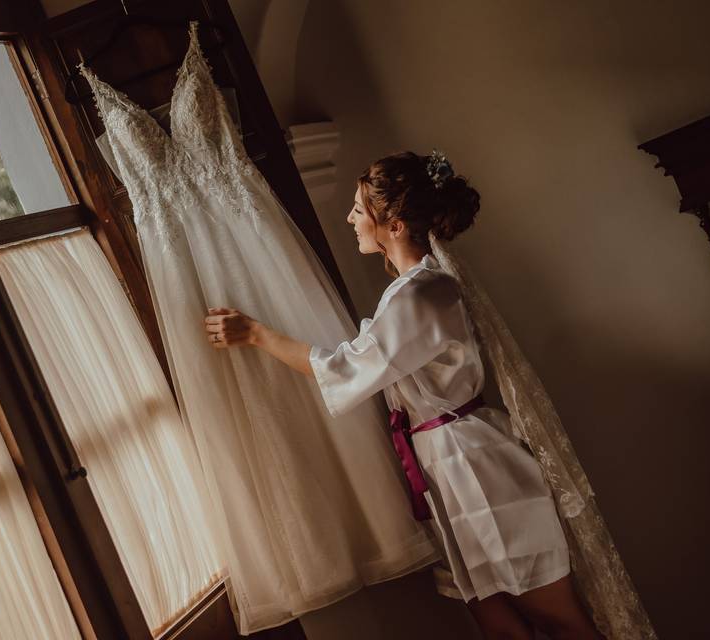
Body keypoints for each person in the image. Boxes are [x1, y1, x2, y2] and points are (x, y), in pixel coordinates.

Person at [203, 151, 602, 639]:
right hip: (444, 469)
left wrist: (257, 335)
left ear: (392, 224)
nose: (350, 219)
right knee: (500, 627)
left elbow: (348, 367)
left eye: (358, 209)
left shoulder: (424, 294)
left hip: (478, 469)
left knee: (562, 623)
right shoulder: (407, 291)